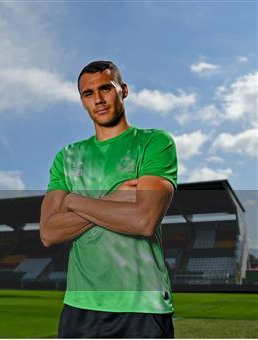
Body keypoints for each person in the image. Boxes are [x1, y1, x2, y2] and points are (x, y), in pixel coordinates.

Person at [40, 61, 177, 338]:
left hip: (143, 307)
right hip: (80, 307)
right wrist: (115, 198)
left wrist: (74, 200)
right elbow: (49, 232)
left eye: (106, 89)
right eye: (88, 94)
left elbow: (143, 220)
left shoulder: (154, 142)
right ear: (82, 102)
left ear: (123, 90)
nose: (98, 100)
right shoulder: (67, 157)